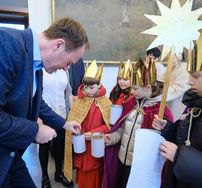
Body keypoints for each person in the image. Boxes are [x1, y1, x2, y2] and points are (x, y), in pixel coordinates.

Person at [0, 17, 88, 188]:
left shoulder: (35, 64)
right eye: (69, 63)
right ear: (58, 45)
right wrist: (35, 130)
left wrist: (64, 124)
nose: (66, 68)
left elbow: (36, 102)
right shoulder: (1, 43)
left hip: (6, 153)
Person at [156, 29, 202, 188]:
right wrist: (167, 128)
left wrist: (180, 156)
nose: (189, 81)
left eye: (195, 76)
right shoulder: (198, 105)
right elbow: (184, 137)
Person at [104, 59, 174, 188]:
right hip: (122, 160)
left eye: (135, 88)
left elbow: (165, 142)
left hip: (139, 168)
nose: (131, 92)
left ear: (148, 87)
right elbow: (121, 129)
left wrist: (162, 129)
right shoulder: (131, 103)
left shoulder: (161, 111)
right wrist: (112, 138)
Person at [64, 60, 112, 188]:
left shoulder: (105, 102)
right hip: (81, 144)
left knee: (93, 175)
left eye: (92, 87)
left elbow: (109, 126)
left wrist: (92, 134)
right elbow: (74, 120)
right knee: (82, 173)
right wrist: (76, 133)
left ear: (100, 85)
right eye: (85, 87)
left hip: (95, 145)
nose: (88, 91)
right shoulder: (80, 100)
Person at [39, 69, 73, 188]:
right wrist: (38, 119)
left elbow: (68, 91)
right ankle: (44, 177)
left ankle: (58, 173)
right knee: (44, 147)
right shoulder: (41, 69)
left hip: (61, 115)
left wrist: (72, 112)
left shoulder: (64, 70)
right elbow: (34, 95)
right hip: (44, 115)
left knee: (59, 146)